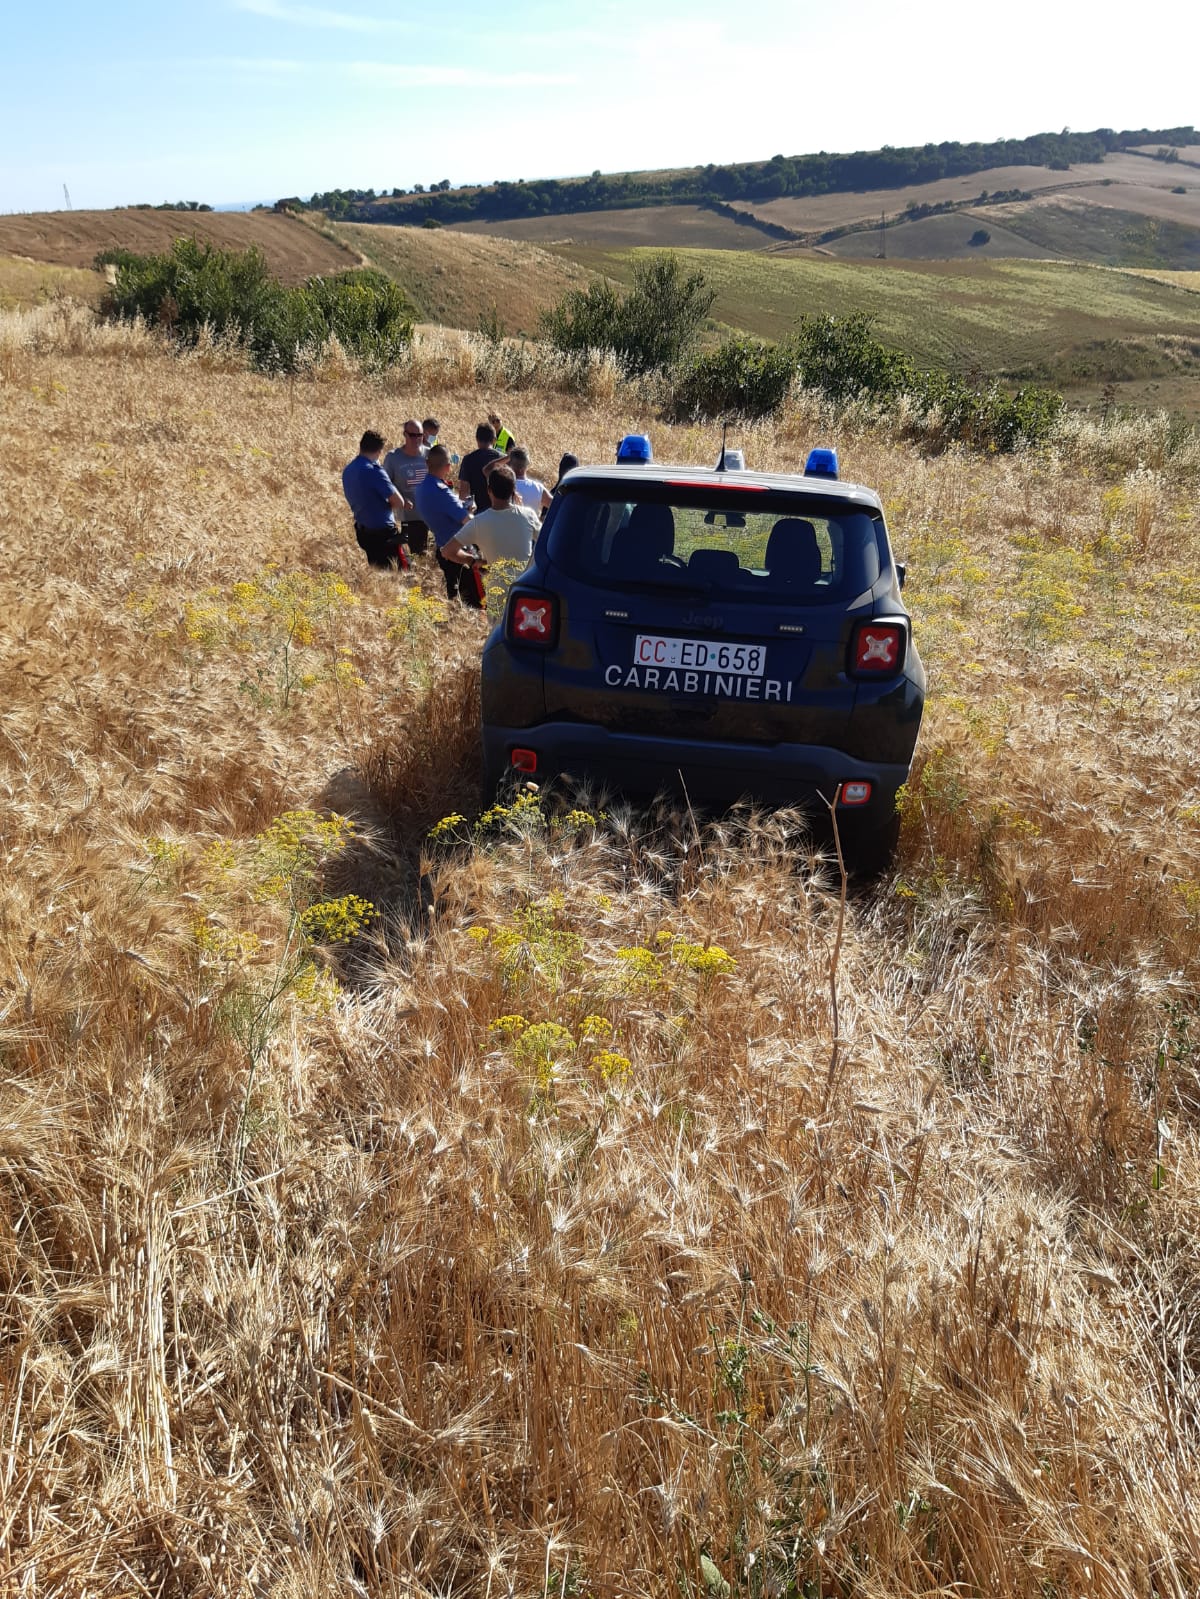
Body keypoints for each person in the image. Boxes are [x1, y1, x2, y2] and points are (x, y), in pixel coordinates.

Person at [415, 444, 485, 608]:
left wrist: (459, 505)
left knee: (454, 598)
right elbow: (468, 520)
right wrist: (470, 512)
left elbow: (442, 508)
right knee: (475, 602)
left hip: (442, 545)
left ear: (427, 463)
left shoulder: (421, 487)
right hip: (459, 552)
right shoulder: (442, 491)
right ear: (447, 467)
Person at [341, 430, 408, 571]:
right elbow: (399, 503)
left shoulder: (348, 469)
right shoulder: (374, 470)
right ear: (379, 451)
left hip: (363, 532)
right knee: (398, 575)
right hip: (383, 535)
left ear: (361, 446)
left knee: (377, 574)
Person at [461, 465, 540, 568]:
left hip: (495, 582)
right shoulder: (529, 515)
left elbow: (447, 551)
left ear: (489, 490)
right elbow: (548, 543)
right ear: (513, 489)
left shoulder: (479, 521)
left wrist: (475, 562)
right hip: (524, 582)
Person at [382, 420, 431, 556]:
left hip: (429, 514)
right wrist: (402, 499)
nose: (416, 439)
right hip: (407, 517)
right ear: (405, 434)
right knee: (415, 557)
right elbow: (385, 484)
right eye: (412, 435)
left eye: (419, 435)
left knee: (427, 556)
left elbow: (438, 479)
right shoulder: (393, 458)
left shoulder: (429, 454)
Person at [457, 423, 505, 513]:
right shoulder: (504, 459)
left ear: (476, 439)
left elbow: (463, 493)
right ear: (494, 440)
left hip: (479, 513)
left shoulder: (468, 460)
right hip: (500, 512)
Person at [508, 447, 552, 518]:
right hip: (530, 528)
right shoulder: (538, 488)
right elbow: (556, 506)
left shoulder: (502, 486)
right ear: (527, 465)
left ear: (510, 464)